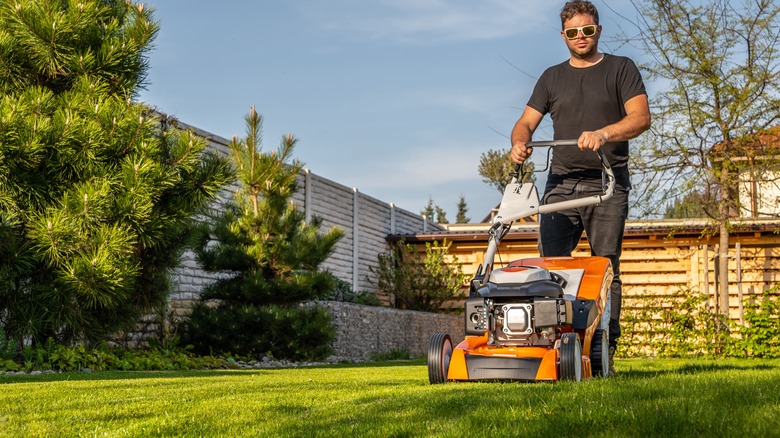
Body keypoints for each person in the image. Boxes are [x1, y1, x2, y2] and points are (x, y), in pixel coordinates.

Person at [510, 0, 650, 374]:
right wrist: (519, 142)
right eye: (573, 32)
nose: (581, 37)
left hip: (607, 183)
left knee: (605, 266)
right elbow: (525, 122)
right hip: (561, 184)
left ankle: (606, 349)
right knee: (548, 267)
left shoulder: (621, 69)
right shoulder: (552, 77)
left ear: (598, 30)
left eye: (587, 30)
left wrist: (604, 133)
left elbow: (640, 118)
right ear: (563, 36)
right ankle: (549, 345)